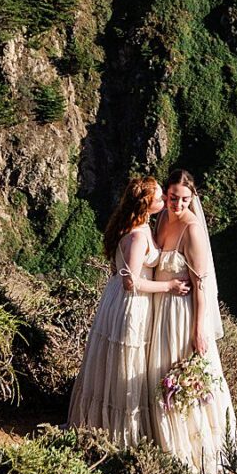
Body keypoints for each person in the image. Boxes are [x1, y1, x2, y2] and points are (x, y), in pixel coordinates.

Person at [66, 175, 190, 445]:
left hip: (122, 301)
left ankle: (103, 426)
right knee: (125, 365)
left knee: (116, 363)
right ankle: (117, 435)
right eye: (160, 198)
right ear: (147, 204)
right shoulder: (136, 235)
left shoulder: (141, 226)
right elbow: (131, 282)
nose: (164, 200)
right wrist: (169, 285)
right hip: (130, 304)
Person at [144, 169, 236, 474]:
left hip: (182, 316)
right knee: (162, 376)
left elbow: (201, 286)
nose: (177, 204)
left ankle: (197, 450)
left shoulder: (193, 230)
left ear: (192, 198)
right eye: (172, 197)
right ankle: (165, 440)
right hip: (160, 311)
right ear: (166, 195)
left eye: (184, 199)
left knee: (187, 379)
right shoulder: (162, 219)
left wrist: (199, 330)